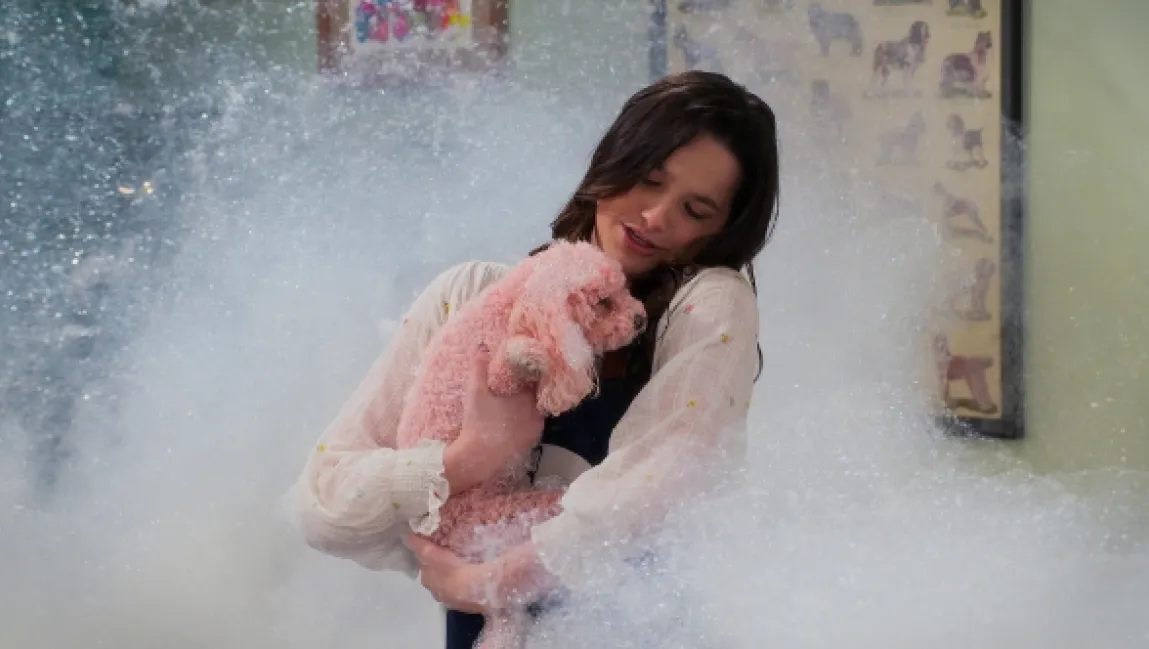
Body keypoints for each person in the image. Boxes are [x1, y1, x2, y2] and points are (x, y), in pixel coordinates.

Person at [292, 70, 780, 648]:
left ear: (722, 231)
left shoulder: (706, 307)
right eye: (648, 179)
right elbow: (323, 506)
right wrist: (469, 456)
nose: (656, 216)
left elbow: (657, 487)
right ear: (612, 159)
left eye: (695, 210)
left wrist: (491, 582)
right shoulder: (468, 296)